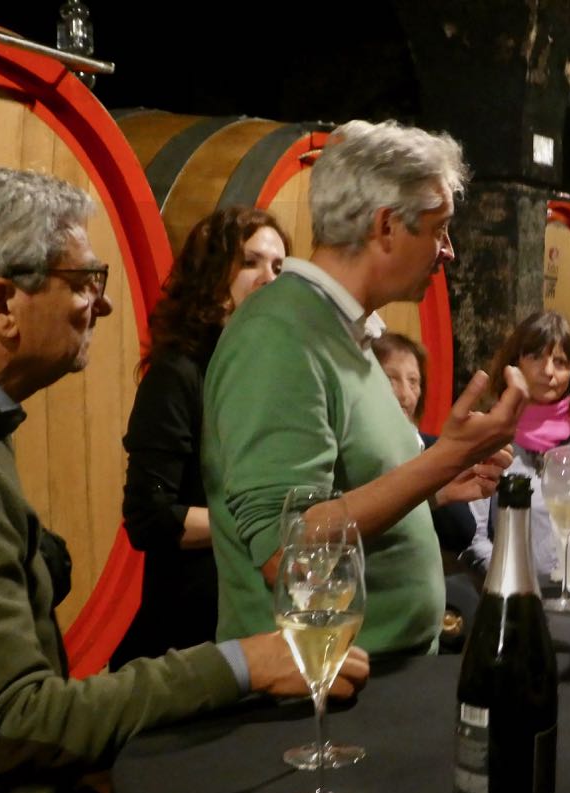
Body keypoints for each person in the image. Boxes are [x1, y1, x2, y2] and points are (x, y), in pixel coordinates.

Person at [0, 161, 367, 793]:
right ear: (1, 304)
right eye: (83, 280)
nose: (103, 302)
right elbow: (7, 722)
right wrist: (241, 663)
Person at [202, 119, 527, 657]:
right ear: (387, 227)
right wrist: (442, 459)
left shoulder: (346, 331)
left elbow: (350, 493)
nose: (448, 252)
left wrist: (438, 485)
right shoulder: (278, 336)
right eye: (440, 229)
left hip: (379, 675)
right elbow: (288, 554)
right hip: (320, 689)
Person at [114, 206, 289, 668]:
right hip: (194, 632)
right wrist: (258, 530)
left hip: (264, 616)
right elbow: (150, 516)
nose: (270, 278)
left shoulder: (276, 375)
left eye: (279, 267)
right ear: (211, 280)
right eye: (250, 262)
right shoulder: (179, 374)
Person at [462, 310, 570, 579]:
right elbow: (474, 535)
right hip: (510, 588)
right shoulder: (490, 436)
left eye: (560, 362)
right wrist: (515, 581)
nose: (548, 371)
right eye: (536, 357)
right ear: (515, 363)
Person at [371, 331, 475, 555]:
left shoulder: (434, 449)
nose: (405, 395)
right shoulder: (362, 454)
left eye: (413, 382)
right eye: (391, 379)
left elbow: (463, 533)